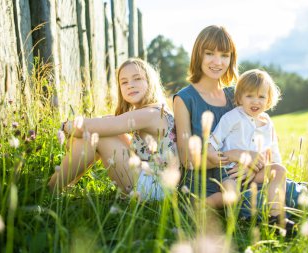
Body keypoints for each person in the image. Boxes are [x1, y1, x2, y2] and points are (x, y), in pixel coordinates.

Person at [48, 58, 179, 200]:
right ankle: (61, 186)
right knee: (102, 129)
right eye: (124, 82)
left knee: (96, 134)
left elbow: (85, 127)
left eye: (137, 79)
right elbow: (111, 126)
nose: (130, 85)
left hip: (155, 187)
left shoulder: (150, 114)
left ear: (150, 82)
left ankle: (50, 189)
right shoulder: (153, 110)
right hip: (155, 181)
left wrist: (65, 126)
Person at [173, 25, 264, 208]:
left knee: (283, 185)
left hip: (238, 177)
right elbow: (187, 160)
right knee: (261, 202)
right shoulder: (184, 99)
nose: (218, 62)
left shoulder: (235, 95)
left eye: (224, 55)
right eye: (209, 53)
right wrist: (235, 155)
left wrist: (249, 167)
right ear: (198, 55)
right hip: (205, 187)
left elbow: (257, 136)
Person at [207, 69, 287, 220]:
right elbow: (212, 143)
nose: (255, 101)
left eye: (261, 97)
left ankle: (276, 216)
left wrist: (270, 167)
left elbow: (274, 153)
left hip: (255, 172)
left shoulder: (268, 123)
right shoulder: (231, 118)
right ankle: (203, 205)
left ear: (268, 100)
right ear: (240, 97)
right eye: (249, 96)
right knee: (232, 196)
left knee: (279, 170)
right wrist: (215, 156)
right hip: (230, 171)